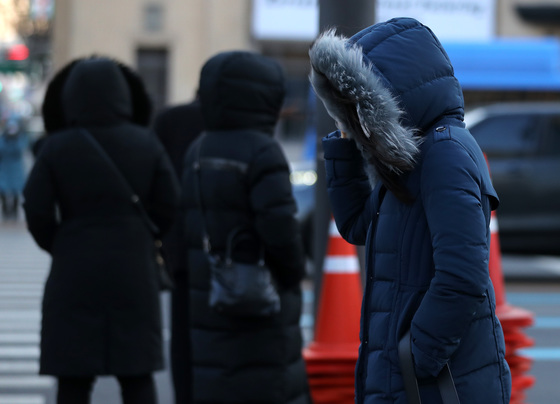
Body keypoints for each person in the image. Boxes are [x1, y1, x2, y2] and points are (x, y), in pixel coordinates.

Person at [309, 17, 511, 403]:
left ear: (391, 97)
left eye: (358, 104)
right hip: (406, 376)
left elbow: (462, 275)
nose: (352, 115)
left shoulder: (445, 153)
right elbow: (357, 226)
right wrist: (345, 141)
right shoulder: (414, 158)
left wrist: (416, 356)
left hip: (436, 380)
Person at [23, 56, 180, 404]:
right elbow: (170, 202)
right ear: (123, 95)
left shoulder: (57, 147)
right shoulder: (145, 142)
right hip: (134, 268)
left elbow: (35, 208)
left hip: (74, 268)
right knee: (137, 374)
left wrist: (60, 242)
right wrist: (143, 235)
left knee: (74, 377)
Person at [180, 50, 310, 404]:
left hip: (211, 300)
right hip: (260, 307)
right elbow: (280, 229)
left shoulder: (197, 149)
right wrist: (294, 272)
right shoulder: (262, 151)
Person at [152, 96, 204, 404]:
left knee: (182, 336)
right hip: (227, 251)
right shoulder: (238, 123)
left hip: (179, 245)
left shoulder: (168, 120)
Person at [0, 117, 29, 220]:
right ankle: (5, 212)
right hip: (4, 169)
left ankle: (14, 212)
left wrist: (15, 138)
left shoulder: (19, 139)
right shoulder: (3, 139)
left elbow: (20, 149)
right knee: (3, 191)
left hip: (16, 170)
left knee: (16, 191)